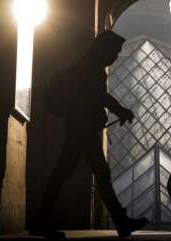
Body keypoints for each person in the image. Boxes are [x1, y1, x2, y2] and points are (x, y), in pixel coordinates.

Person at [37, 30, 148, 239]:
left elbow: (97, 97)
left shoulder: (88, 66)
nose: (115, 57)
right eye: (114, 52)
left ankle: (41, 220)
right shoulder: (92, 69)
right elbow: (100, 96)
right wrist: (121, 110)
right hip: (82, 129)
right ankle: (121, 221)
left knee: (69, 174)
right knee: (93, 174)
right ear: (103, 49)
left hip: (80, 129)